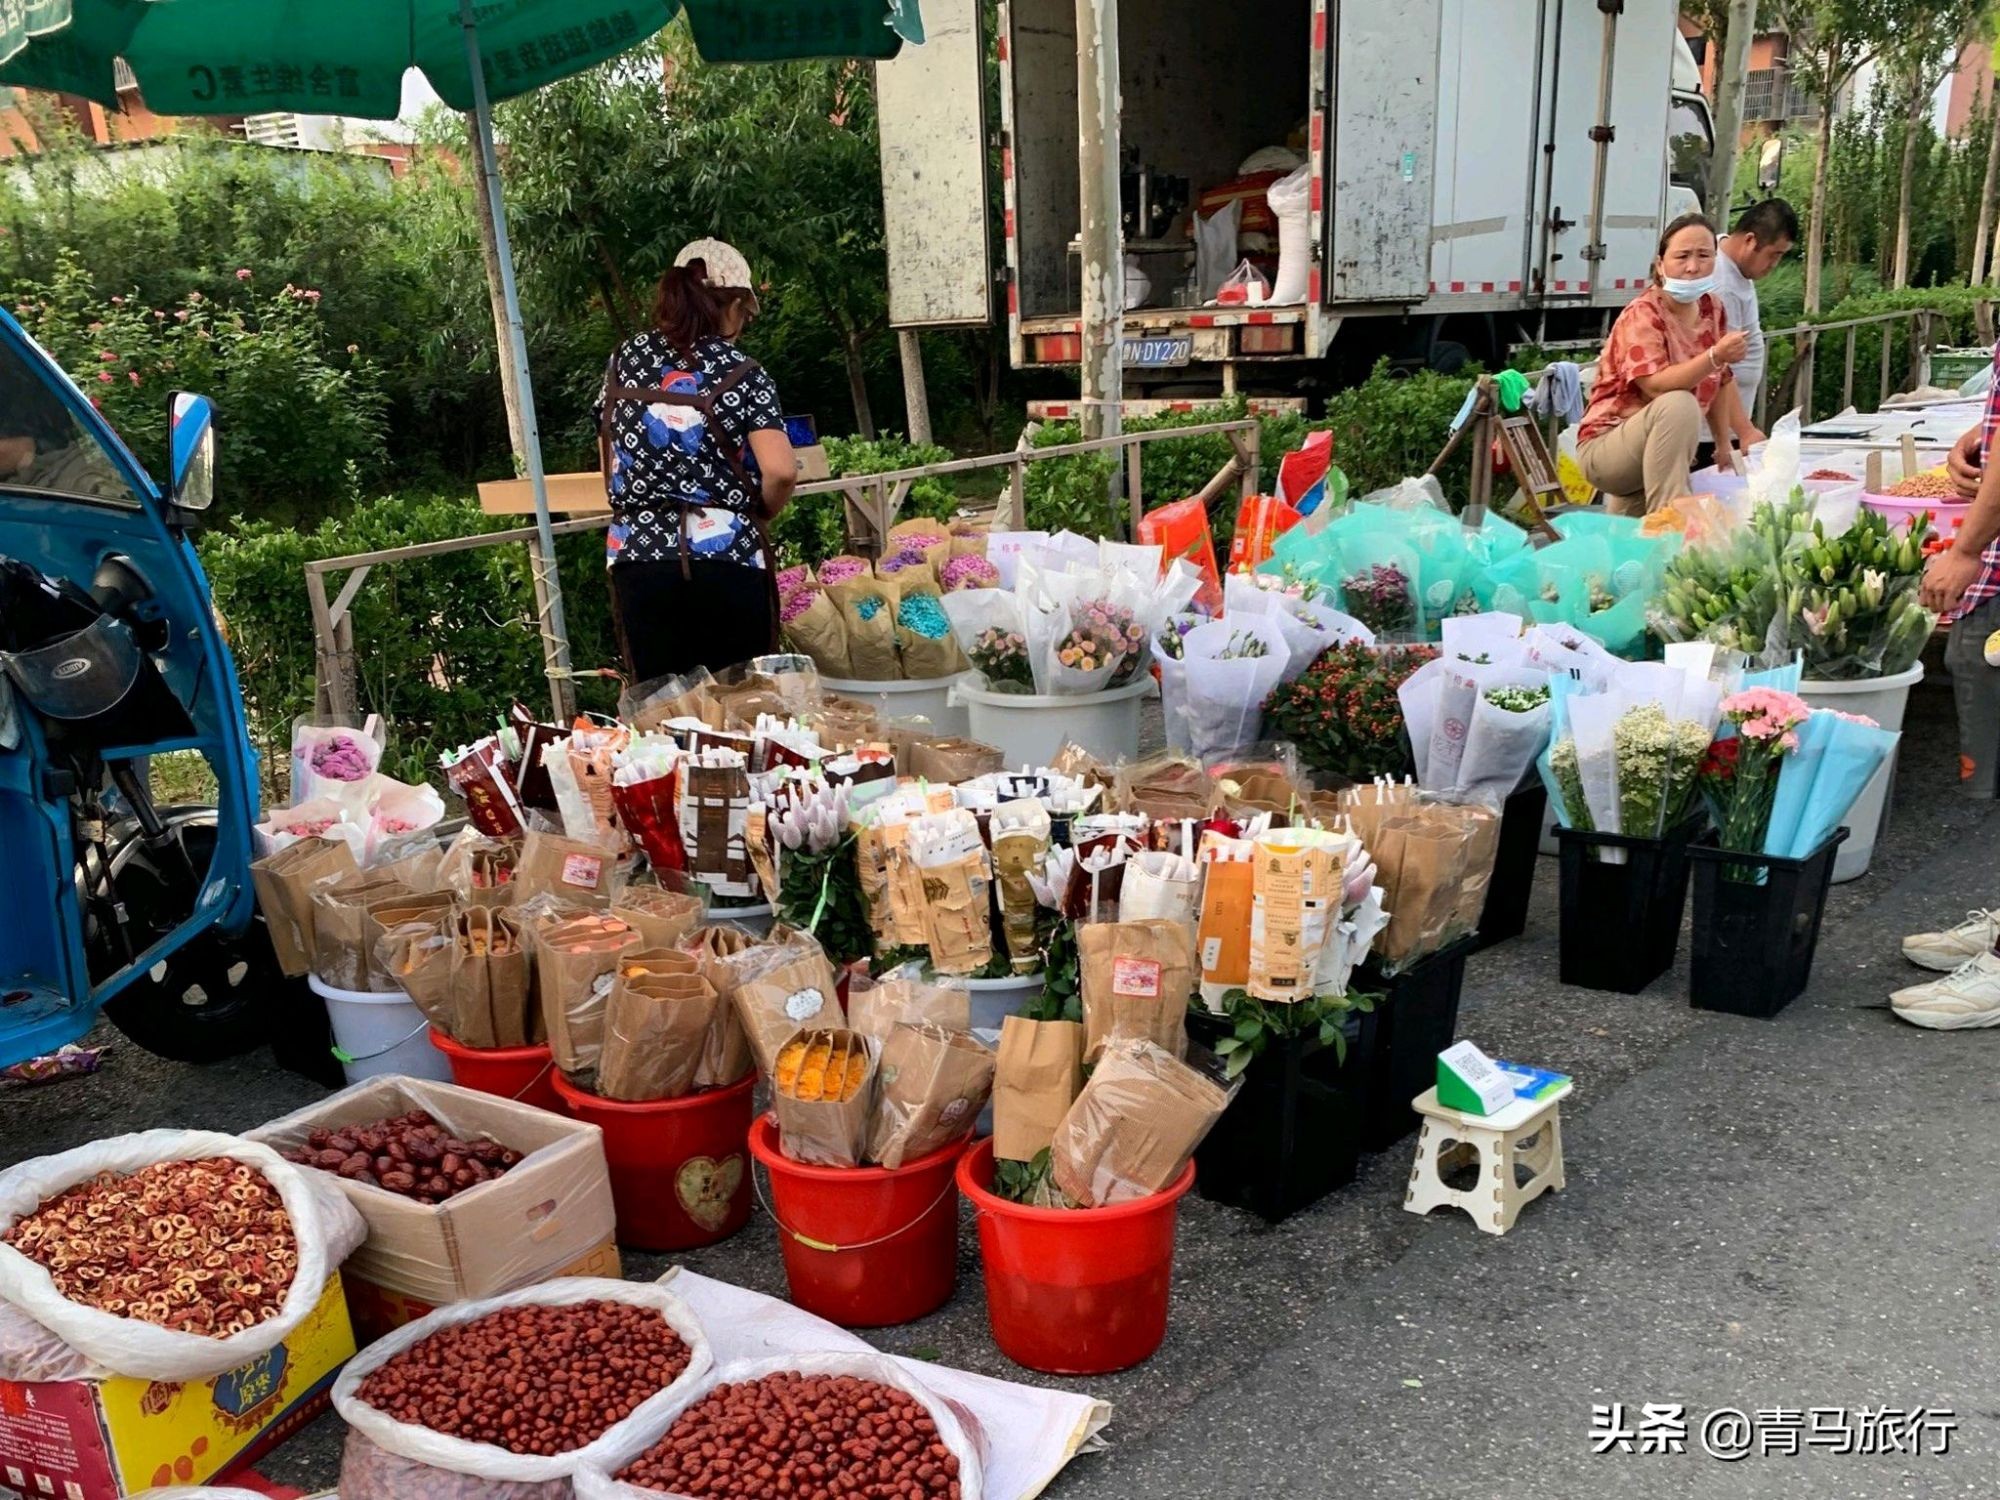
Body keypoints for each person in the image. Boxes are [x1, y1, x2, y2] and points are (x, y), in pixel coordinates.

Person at [596, 239, 797, 684]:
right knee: (740, 708)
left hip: (638, 557)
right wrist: (759, 512)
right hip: (727, 557)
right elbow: (781, 470)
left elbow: (609, 455)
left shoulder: (623, 360)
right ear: (735, 305)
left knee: (660, 708)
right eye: (745, 315)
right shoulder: (743, 370)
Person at [1575, 213, 1754, 515]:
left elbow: (1720, 378)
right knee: (1679, 403)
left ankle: (1649, 538)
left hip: (1656, 447)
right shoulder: (1643, 314)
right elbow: (1656, 385)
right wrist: (1714, 356)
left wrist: (1724, 445)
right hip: (1608, 447)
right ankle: (1671, 520)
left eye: (1704, 256)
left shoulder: (1713, 308)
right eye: (1682, 256)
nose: (1693, 267)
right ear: (1660, 264)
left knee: (1626, 548)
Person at [1711, 197, 1797, 437]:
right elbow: (1718, 366)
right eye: (1774, 254)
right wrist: (1744, 430)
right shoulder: (1722, 284)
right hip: (1715, 434)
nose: (1774, 265)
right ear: (1750, 241)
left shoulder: (1734, 266)